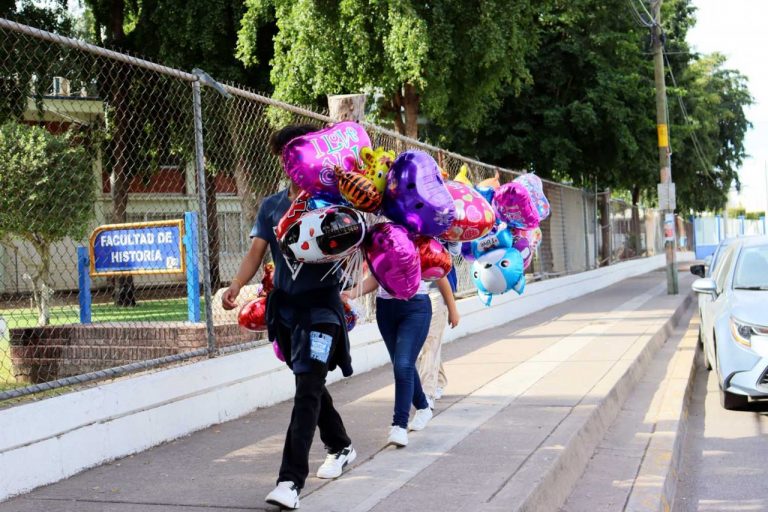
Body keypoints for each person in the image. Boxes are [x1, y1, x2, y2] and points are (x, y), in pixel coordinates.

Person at [221, 124, 356, 510]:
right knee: (307, 382)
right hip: (287, 312)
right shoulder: (272, 206)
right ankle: (341, 445)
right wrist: (236, 286)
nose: (290, 161)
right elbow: (255, 253)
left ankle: (289, 482)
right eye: (285, 155)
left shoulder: (334, 204)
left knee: (307, 388)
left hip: (323, 310)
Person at [346, 274, 459, 447]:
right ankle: (422, 406)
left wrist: (452, 309)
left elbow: (440, 275)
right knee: (401, 364)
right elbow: (377, 277)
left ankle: (399, 425)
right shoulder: (379, 247)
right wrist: (351, 293)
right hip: (385, 310)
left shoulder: (418, 246)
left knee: (403, 364)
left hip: (416, 307)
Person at [417, 265, 458, 403]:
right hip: (412, 293)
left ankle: (426, 393)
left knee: (429, 341)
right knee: (427, 343)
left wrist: (453, 309)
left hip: (435, 291)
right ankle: (439, 381)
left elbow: (441, 272)